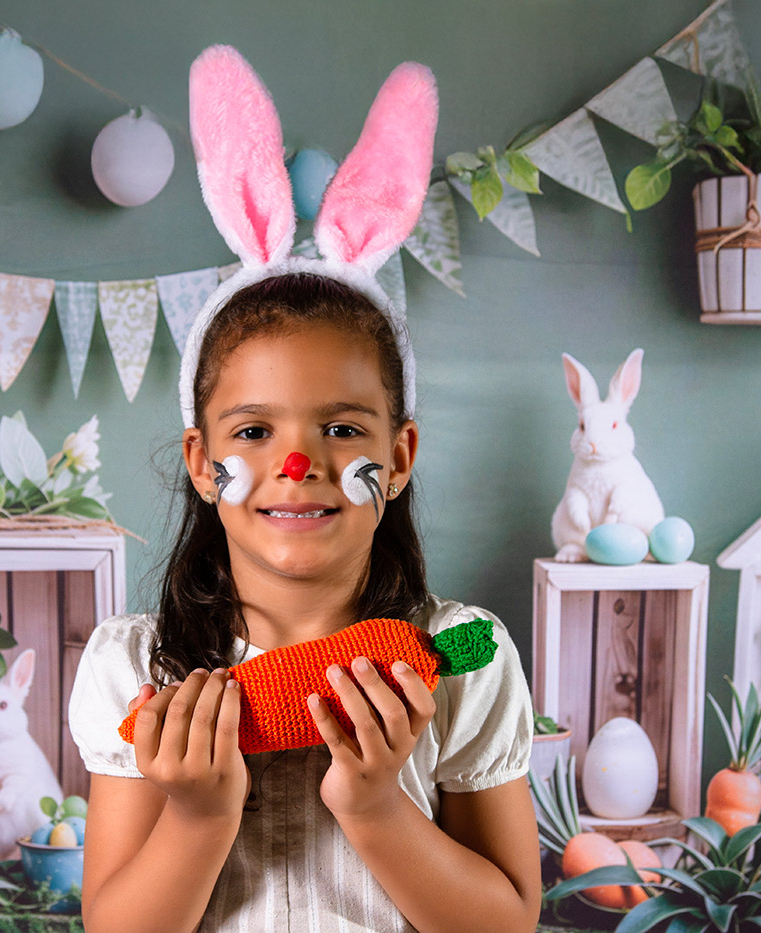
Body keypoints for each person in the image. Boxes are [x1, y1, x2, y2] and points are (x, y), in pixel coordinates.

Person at [67, 45, 541, 932]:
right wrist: (198, 816)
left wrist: (376, 803)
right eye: (254, 431)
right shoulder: (135, 670)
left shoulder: (459, 660)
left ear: (398, 457)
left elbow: (507, 921)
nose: (298, 463)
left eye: (342, 429)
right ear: (201, 461)